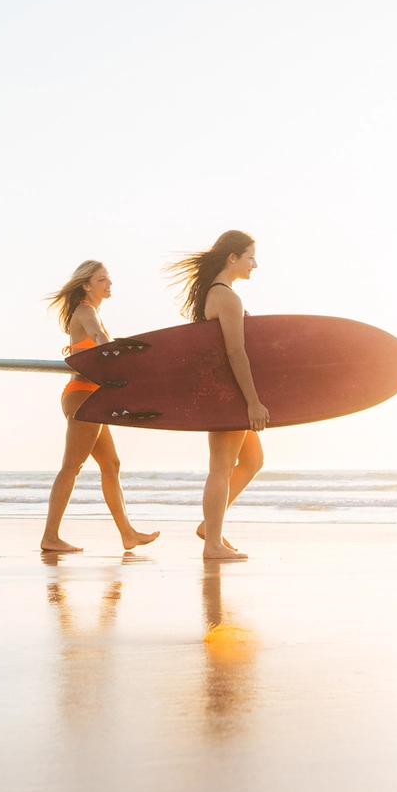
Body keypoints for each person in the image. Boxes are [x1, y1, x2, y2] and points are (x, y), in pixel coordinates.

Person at [40, 261, 161, 555]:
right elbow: (97, 337)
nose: (109, 284)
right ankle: (50, 537)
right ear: (86, 285)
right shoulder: (85, 310)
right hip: (82, 394)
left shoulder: (86, 310)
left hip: (90, 394)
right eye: (102, 279)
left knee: (111, 465)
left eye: (109, 278)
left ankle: (128, 534)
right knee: (72, 466)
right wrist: (113, 353)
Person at [170, 231, 267, 560]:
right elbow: (236, 354)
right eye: (250, 257)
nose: (255, 264)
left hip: (223, 390)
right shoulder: (226, 297)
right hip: (228, 393)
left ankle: (209, 527)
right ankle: (212, 543)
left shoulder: (217, 294)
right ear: (233, 258)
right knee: (221, 469)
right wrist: (254, 401)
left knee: (253, 461)